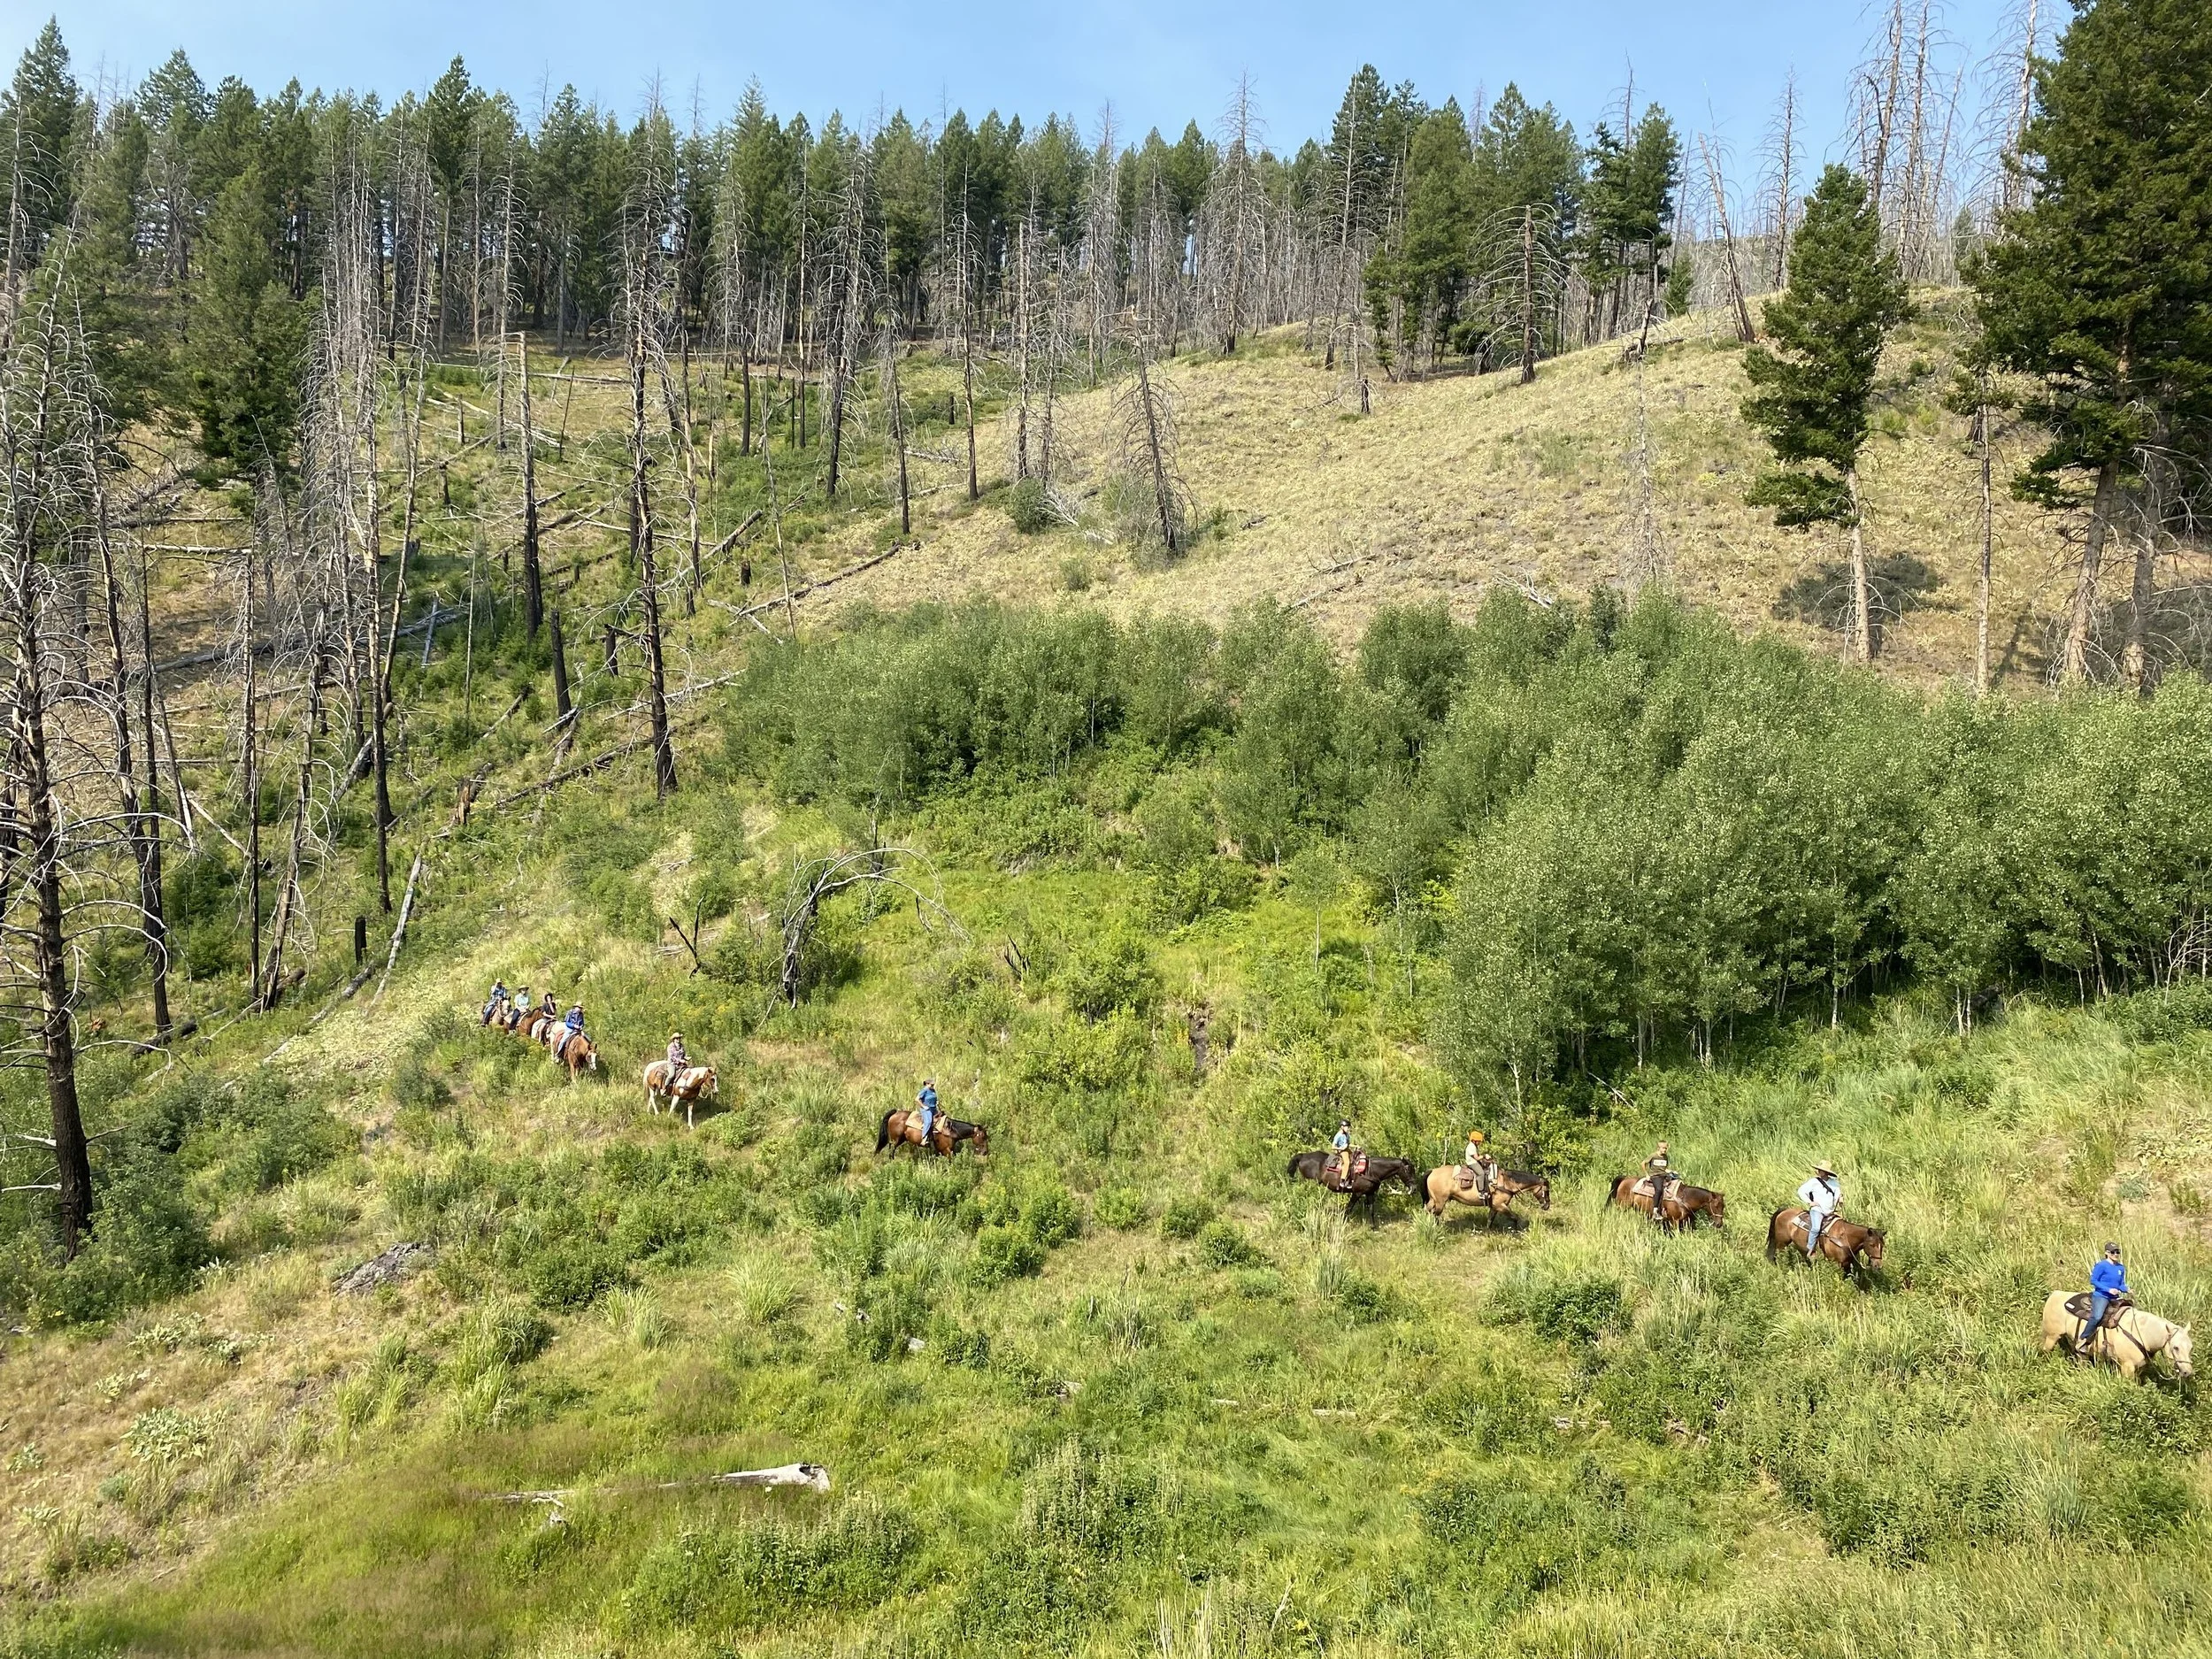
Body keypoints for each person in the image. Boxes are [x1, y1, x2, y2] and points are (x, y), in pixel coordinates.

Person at [2079, 1242, 2131, 1363]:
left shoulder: (2121, 1268)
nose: (2116, 1254)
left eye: (2118, 1252)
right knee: (2097, 1316)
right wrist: (2108, 1290)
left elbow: (2121, 1284)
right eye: (2113, 1252)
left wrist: (2127, 1289)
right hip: (2102, 1296)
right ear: (2107, 1253)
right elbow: (2093, 1281)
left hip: (2115, 1297)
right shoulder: (2101, 1266)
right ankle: (2084, 1339)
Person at [1798, 1161, 1840, 1259]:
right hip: (1818, 1210)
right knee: (1816, 1228)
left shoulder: (1834, 1183)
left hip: (1830, 1211)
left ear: (1826, 1172)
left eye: (1821, 1170)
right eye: (1819, 1170)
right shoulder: (1814, 1182)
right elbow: (1801, 1191)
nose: (1818, 1171)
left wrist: (1840, 1199)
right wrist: (1809, 1202)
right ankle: (1810, 1249)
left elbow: (1837, 1194)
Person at [1642, 1141, 1676, 1227]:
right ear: (1659, 1148)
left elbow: (1664, 1169)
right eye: (1663, 1148)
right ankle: (1655, 1211)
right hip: (1655, 1176)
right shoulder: (1653, 1156)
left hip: (1663, 1175)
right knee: (1659, 1189)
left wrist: (1671, 1171)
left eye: (1666, 1148)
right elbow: (1643, 1163)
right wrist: (1647, 1174)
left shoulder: (1665, 1157)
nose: (1665, 1150)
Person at [1463, 1130, 1494, 1197]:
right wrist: (1484, 1156)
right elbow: (1477, 1158)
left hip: (1474, 1162)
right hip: (1472, 1163)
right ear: (1474, 1140)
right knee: (1481, 1173)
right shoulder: (1471, 1147)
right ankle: (1481, 1192)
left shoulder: (1474, 1146)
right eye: (1478, 1141)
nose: (1479, 1143)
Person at [1332, 1119, 1354, 1189]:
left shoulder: (1346, 1135)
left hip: (1347, 1149)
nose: (1348, 1128)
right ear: (1342, 1127)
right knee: (1347, 1162)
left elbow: (1348, 1144)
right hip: (1342, 1151)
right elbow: (1333, 1147)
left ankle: (1351, 1178)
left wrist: (1356, 1146)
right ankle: (1342, 1180)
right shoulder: (1338, 1136)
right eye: (1347, 1127)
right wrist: (1341, 1148)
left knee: (1355, 1159)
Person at [916, 1079, 939, 1145]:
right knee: (928, 1122)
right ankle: (924, 1138)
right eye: (931, 1085)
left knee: (941, 1118)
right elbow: (917, 1099)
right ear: (927, 1084)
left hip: (933, 1108)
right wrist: (923, 1106)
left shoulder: (933, 1090)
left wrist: (936, 1102)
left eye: (933, 1085)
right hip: (926, 1109)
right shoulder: (924, 1090)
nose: (933, 1086)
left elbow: (933, 1098)